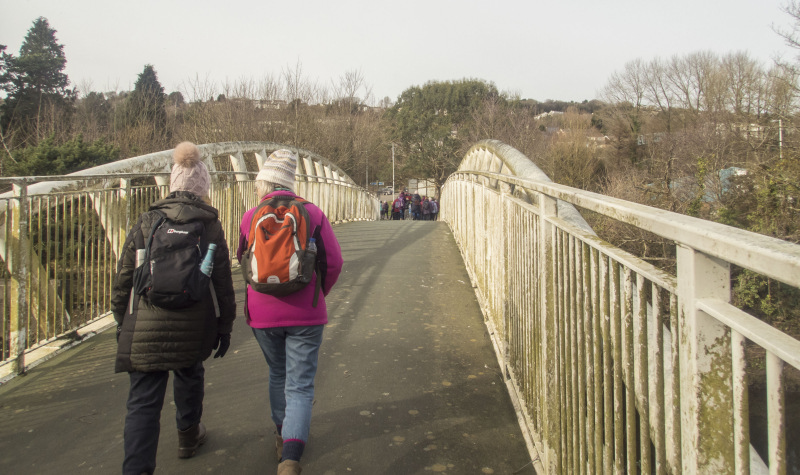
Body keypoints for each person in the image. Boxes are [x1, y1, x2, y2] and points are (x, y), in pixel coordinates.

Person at [111, 141, 237, 475]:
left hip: (145, 323)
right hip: (192, 320)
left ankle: (136, 469)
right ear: (203, 188)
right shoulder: (209, 225)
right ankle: (188, 435)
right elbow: (222, 282)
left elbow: (124, 277)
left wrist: (120, 319)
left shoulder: (147, 220)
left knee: (143, 401)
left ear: (172, 184)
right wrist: (225, 326)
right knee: (189, 372)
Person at [237, 149, 343, 475]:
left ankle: (282, 437)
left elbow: (243, 260)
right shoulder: (313, 213)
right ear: (290, 183)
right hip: (306, 314)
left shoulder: (250, 216)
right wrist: (317, 294)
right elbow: (334, 262)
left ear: (264, 184)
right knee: (299, 384)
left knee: (278, 373)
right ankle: (291, 459)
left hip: (262, 314)